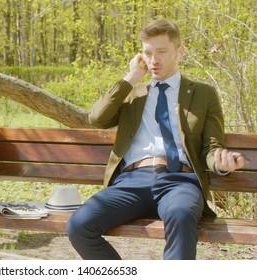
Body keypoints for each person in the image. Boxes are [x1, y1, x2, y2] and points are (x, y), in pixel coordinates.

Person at [66, 19, 246, 260]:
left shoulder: (203, 94)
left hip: (179, 181)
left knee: (182, 215)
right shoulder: (133, 94)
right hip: (130, 182)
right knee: (79, 226)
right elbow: (96, 118)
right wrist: (131, 77)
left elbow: (212, 147)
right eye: (148, 53)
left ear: (179, 52)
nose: (154, 60)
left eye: (161, 52)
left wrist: (220, 164)